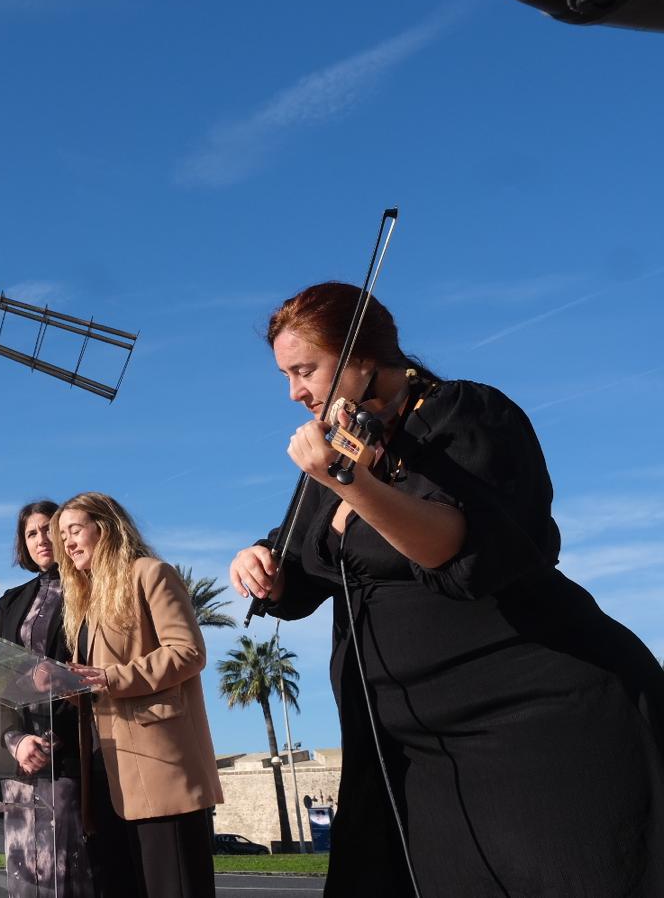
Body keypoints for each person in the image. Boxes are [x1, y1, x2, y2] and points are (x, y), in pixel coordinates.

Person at [228, 281, 664, 897]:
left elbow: (453, 550)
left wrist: (348, 480)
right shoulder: (339, 451)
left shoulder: (464, 416)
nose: (295, 391)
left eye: (306, 370)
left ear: (365, 354)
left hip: (531, 725)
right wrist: (260, 563)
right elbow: (300, 566)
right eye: (286, 374)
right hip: (406, 749)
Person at [57, 492, 223, 898]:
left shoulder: (150, 573)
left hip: (160, 767)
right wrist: (63, 686)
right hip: (107, 776)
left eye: (74, 530)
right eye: (62, 537)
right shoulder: (87, 601)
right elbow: (94, 682)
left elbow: (187, 652)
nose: (68, 543)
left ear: (106, 527)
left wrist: (108, 678)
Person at [0, 499, 93, 898]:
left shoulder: (90, 586)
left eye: (49, 528)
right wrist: (15, 741)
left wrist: (50, 739)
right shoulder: (9, 601)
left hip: (68, 753)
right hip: (21, 761)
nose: (41, 538)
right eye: (31, 533)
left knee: (66, 873)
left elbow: (92, 667)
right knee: (25, 877)